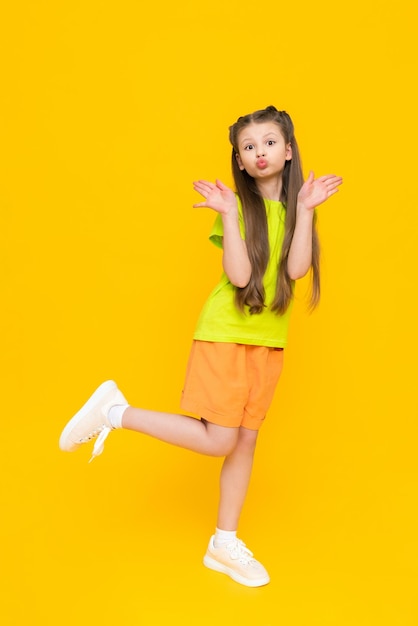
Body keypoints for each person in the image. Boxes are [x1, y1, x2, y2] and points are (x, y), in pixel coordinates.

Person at [59, 105, 342, 588]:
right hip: (225, 334)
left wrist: (310, 210)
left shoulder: (298, 207)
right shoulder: (239, 205)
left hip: (270, 341)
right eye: (248, 147)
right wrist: (230, 216)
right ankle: (115, 412)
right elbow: (239, 276)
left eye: (269, 143)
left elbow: (295, 273)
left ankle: (223, 543)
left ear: (288, 151)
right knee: (221, 440)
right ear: (239, 158)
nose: (259, 153)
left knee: (245, 441)